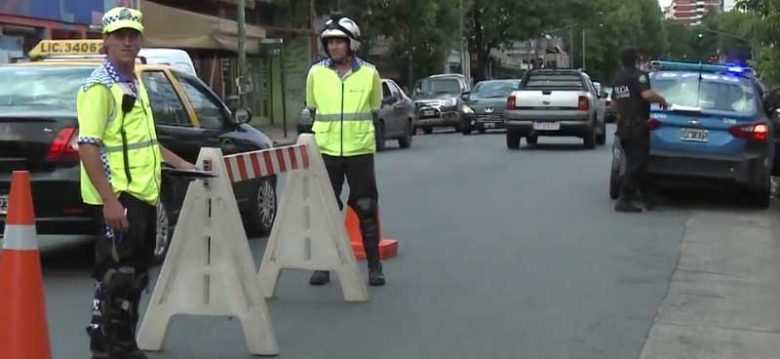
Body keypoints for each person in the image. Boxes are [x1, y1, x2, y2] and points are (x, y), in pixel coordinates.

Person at [77, 7, 195, 359]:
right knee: (120, 276)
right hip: (121, 197)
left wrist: (181, 163)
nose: (127, 42)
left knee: (136, 275)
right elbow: (88, 147)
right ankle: (119, 348)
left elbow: (146, 142)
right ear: (107, 42)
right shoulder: (99, 88)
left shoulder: (134, 82)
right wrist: (111, 201)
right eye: (119, 36)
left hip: (144, 193)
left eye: (133, 35)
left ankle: (112, 343)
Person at [305, 14, 386, 286]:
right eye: (330, 43)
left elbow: (374, 108)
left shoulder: (369, 74)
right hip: (326, 150)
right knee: (326, 208)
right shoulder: (316, 73)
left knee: (365, 206)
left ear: (351, 44)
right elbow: (312, 108)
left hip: (359, 149)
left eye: (340, 42)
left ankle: (374, 267)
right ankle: (323, 265)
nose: (334, 47)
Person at [611, 48, 669, 213]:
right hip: (637, 127)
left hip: (624, 126)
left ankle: (649, 195)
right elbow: (646, 95)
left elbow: (615, 104)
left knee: (640, 163)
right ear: (636, 59)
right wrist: (662, 100)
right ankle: (624, 198)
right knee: (636, 164)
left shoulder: (617, 78)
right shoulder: (638, 75)